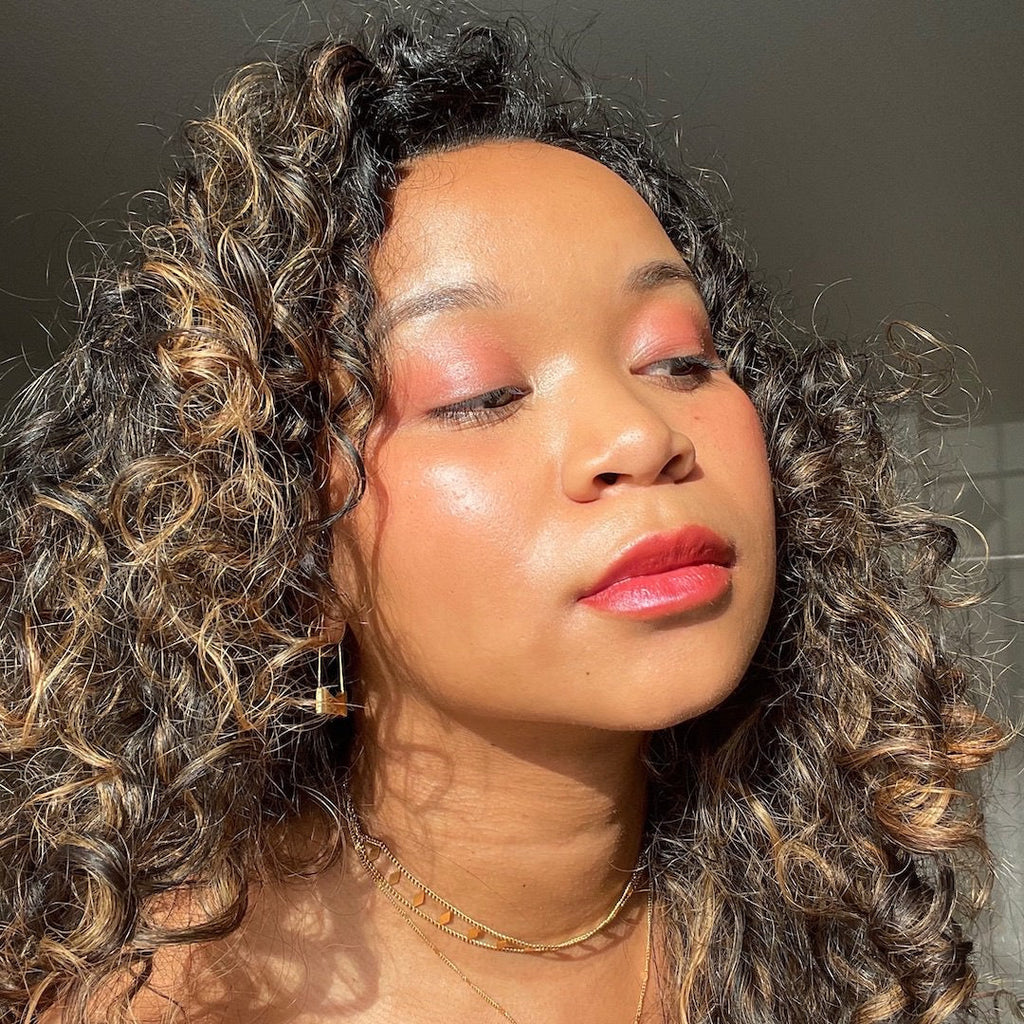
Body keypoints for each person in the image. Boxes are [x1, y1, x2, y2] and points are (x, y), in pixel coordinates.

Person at [0, 9, 1010, 1024]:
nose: (638, 433)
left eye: (678, 359)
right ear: (284, 550)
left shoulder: (840, 927)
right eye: (480, 391)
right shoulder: (165, 997)